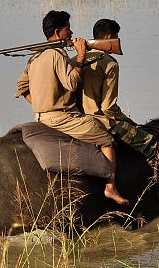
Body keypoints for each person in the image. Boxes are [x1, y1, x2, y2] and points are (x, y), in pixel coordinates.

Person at [15, 10, 128, 206]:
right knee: (106, 139)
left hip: (40, 117)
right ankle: (110, 186)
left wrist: (42, 103)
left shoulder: (35, 57)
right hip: (62, 118)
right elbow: (72, 83)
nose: (72, 32)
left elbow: (21, 87)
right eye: (68, 29)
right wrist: (82, 55)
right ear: (58, 32)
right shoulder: (56, 54)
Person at [81, 19, 159, 164]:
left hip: (78, 120)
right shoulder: (109, 63)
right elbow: (108, 108)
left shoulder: (77, 60)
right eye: (116, 36)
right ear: (108, 36)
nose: (117, 40)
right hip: (100, 120)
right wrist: (126, 119)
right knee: (152, 144)